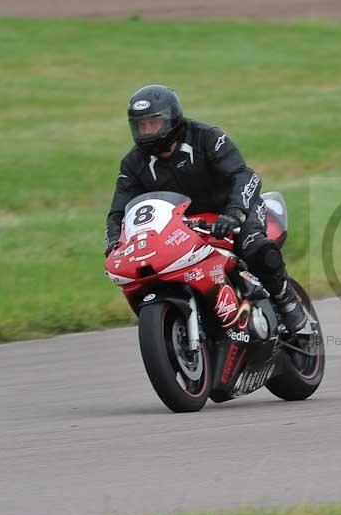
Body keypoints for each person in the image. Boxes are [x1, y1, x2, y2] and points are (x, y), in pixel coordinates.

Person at [104, 84, 306, 333]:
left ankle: (286, 301)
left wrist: (234, 214)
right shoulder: (133, 162)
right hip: (186, 223)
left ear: (172, 118)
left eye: (153, 124)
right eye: (140, 126)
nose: (146, 132)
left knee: (255, 246)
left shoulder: (207, 137)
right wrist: (114, 242)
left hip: (231, 209)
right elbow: (118, 211)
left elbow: (244, 175)